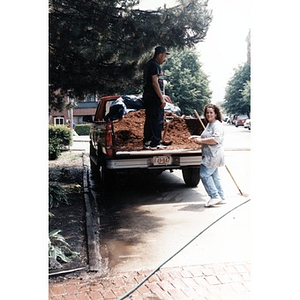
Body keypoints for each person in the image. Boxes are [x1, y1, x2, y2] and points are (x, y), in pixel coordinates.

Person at [189, 104, 226, 207]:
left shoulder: (217, 125)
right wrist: (196, 137)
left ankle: (214, 196)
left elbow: (215, 139)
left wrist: (200, 141)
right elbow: (207, 136)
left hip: (213, 155)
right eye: (207, 112)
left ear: (215, 114)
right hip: (211, 155)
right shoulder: (210, 124)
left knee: (204, 174)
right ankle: (221, 197)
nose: (209, 114)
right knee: (214, 176)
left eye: (211, 112)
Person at [143, 46, 171, 150]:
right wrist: (161, 98)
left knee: (150, 119)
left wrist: (162, 95)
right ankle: (155, 143)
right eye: (164, 55)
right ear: (159, 54)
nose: (165, 58)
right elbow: (155, 83)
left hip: (150, 97)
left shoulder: (152, 65)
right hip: (153, 98)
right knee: (157, 119)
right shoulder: (154, 65)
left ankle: (147, 141)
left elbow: (154, 84)